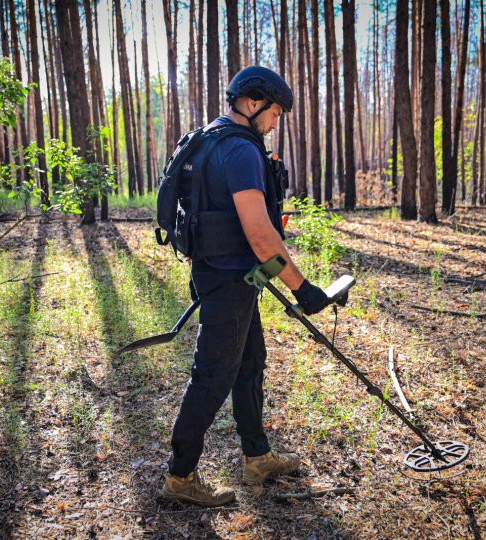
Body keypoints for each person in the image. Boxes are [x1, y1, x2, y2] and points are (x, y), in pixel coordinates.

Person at [162, 66, 333, 507]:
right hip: (228, 280)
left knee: (249, 361)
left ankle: (257, 457)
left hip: (221, 272)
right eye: (275, 113)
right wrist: (303, 288)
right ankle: (180, 478)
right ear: (254, 103)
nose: (276, 124)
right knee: (213, 373)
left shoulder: (211, 137)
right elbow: (261, 236)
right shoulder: (239, 151)